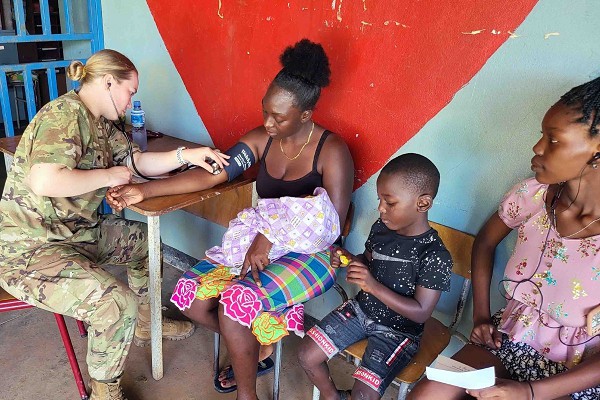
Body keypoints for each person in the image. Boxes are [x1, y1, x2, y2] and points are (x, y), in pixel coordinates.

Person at [106, 39, 354, 400]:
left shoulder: (332, 151)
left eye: (279, 117)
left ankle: (247, 394)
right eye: (265, 111)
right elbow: (213, 173)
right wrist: (146, 191)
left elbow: (331, 224)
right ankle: (255, 348)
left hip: (314, 255)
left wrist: (268, 236)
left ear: (304, 115)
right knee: (189, 296)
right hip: (261, 247)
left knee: (234, 303)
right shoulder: (261, 139)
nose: (268, 122)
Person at [0, 49, 229, 400]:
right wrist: (106, 175)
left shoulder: (103, 125)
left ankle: (146, 321)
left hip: (75, 234)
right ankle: (104, 391)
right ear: (109, 82)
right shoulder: (64, 115)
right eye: (130, 92)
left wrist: (188, 156)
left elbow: (136, 162)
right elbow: (45, 181)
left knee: (143, 242)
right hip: (31, 249)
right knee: (114, 303)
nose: (130, 101)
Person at [408, 77, 600, 400]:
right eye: (542, 135)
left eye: (554, 140)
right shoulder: (534, 196)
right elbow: (485, 241)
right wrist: (481, 316)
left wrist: (528, 392)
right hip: (510, 340)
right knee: (427, 394)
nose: (538, 148)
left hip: (576, 373)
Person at [297, 153, 453, 400]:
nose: (381, 208)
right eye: (380, 199)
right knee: (306, 354)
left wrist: (372, 285)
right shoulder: (381, 228)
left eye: (389, 202)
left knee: (364, 395)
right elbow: (367, 260)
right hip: (361, 310)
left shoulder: (434, 255)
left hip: (400, 331)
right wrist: (349, 258)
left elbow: (421, 311)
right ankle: (333, 397)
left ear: (422, 204)